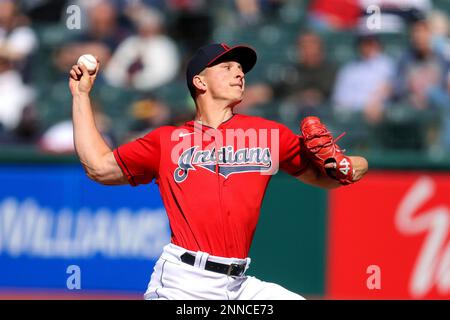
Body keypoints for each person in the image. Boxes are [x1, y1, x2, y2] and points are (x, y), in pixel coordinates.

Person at [69, 43, 368, 300]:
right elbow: (98, 167)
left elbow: (335, 176)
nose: (239, 73)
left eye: (241, 68)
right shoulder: (167, 141)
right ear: (200, 82)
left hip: (239, 285)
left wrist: (346, 165)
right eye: (227, 67)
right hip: (184, 282)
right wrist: (81, 96)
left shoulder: (267, 134)